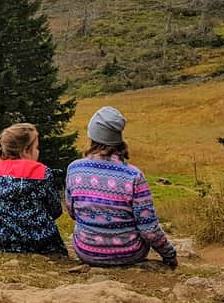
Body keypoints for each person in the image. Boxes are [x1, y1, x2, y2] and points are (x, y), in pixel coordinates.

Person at [65, 106, 178, 267]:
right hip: (129, 253)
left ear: (91, 136)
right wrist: (170, 255)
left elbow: (72, 212)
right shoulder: (134, 176)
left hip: (86, 251)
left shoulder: (74, 169)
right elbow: (148, 229)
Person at [0, 122, 67, 255]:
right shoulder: (44, 172)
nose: (38, 151)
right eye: (36, 147)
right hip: (39, 240)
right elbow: (55, 209)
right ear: (26, 151)